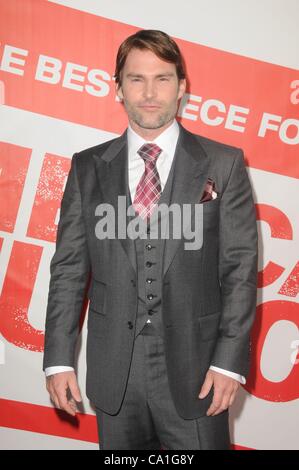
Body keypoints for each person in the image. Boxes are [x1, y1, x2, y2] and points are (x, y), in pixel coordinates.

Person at [43, 29, 258, 450]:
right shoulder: (87, 167)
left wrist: (229, 364)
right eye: (136, 79)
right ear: (117, 88)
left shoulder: (224, 163)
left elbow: (239, 270)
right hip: (114, 371)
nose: (149, 92)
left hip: (197, 370)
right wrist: (58, 358)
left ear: (182, 87)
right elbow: (68, 270)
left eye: (162, 78)